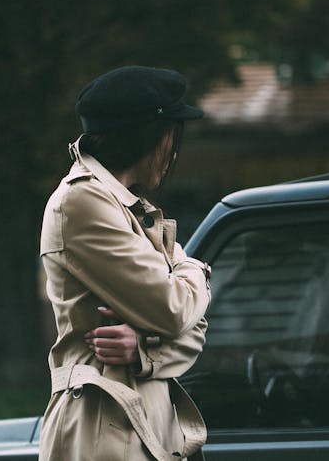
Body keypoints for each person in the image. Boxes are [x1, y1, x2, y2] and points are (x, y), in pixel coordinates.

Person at [38, 66, 211, 460]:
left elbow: (194, 331)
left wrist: (147, 352)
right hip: (106, 428)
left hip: (146, 425)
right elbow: (174, 308)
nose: (174, 151)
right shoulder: (84, 201)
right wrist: (197, 270)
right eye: (173, 135)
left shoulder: (129, 207)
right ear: (154, 136)